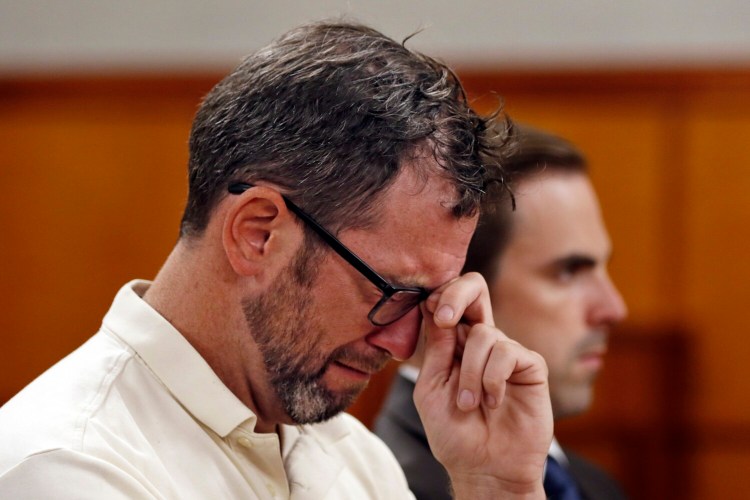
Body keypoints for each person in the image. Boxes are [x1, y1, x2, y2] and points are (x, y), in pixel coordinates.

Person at [0, 21, 553, 499]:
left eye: (428, 302)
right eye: (391, 290)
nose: (404, 345)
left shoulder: (356, 458)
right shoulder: (65, 466)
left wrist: (496, 487)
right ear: (257, 234)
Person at [375, 125, 629, 500]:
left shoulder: (596, 485)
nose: (614, 309)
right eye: (567, 272)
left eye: (603, 268)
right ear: (456, 293)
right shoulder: (380, 488)